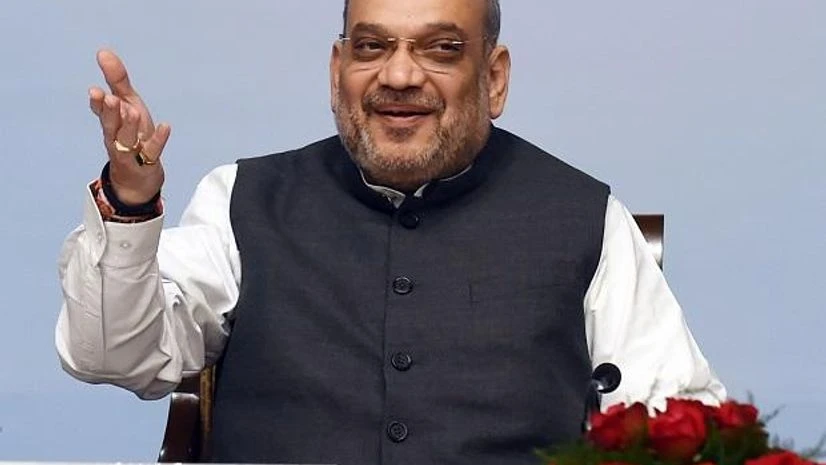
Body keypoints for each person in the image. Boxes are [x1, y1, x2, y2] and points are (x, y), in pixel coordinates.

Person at [56, 1, 726, 464]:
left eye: (440, 49)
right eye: (372, 46)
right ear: (336, 69)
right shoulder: (241, 199)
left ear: (493, 79)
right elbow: (112, 356)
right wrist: (130, 203)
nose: (400, 75)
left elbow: (684, 417)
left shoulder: (586, 216)